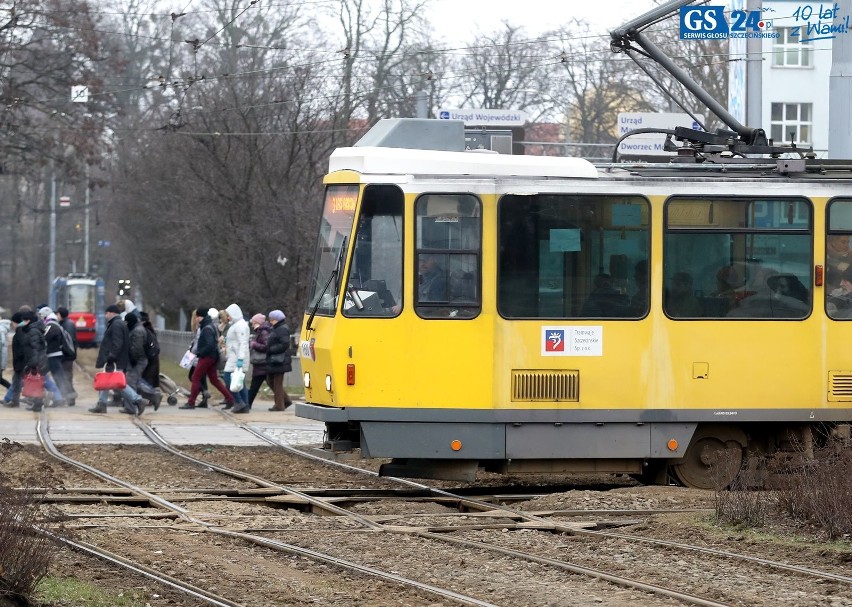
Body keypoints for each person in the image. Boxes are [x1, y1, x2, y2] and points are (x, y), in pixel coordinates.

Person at [89, 304, 146, 415]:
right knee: (106, 381)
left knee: (119, 384)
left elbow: (117, 343)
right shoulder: (118, 324)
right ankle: (102, 404)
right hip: (117, 359)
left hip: (114, 360)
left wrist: (111, 357)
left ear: (112, 313)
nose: (105, 316)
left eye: (107, 313)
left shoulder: (116, 325)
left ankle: (138, 400)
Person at [180, 307, 234, 410]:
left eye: (197, 317)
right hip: (213, 357)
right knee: (214, 380)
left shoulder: (206, 328)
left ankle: (191, 402)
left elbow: (209, 345)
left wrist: (200, 353)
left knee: (195, 378)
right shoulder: (211, 326)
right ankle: (230, 399)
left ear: (201, 317)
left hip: (207, 357)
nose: (196, 319)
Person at [125, 312, 162, 411]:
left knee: (130, 381)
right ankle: (154, 396)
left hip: (139, 361)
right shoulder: (136, 328)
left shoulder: (137, 331)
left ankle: (131, 407)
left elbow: (137, 348)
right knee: (135, 382)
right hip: (138, 360)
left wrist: (133, 360)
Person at [38, 307, 72, 407]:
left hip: (53, 354)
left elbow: (45, 338)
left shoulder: (51, 325)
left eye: (41, 315)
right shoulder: (54, 324)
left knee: (57, 376)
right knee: (57, 375)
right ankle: (62, 396)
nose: (40, 318)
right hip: (55, 354)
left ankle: (62, 397)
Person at [222, 303, 249, 411]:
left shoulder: (240, 326)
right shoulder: (236, 324)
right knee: (239, 382)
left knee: (228, 378)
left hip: (237, 357)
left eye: (229, 315)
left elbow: (243, 343)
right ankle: (244, 405)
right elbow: (234, 340)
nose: (228, 317)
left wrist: (240, 359)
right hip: (234, 356)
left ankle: (238, 401)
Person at [265, 309, 293, 412]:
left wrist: (271, 349)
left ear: (277, 319)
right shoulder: (277, 328)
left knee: (276, 383)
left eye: (272, 319)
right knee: (270, 381)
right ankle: (285, 400)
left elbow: (284, 344)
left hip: (279, 360)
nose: (270, 321)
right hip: (275, 360)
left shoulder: (281, 329)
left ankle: (279, 405)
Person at [243, 313, 272, 412]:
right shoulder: (261, 331)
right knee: (267, 383)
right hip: (261, 363)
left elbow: (265, 346)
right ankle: (285, 401)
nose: (252, 324)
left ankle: (248, 403)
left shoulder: (263, 332)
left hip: (261, 363)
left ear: (257, 322)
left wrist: (254, 344)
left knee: (255, 384)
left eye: (253, 322)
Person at [56, 306, 77, 402]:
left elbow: (68, 341)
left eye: (57, 314)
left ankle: (71, 396)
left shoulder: (67, 325)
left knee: (66, 376)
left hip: (67, 355)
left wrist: (63, 352)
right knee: (66, 375)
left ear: (60, 315)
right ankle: (69, 396)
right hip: (67, 354)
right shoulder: (66, 323)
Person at [139, 311, 160, 390]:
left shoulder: (145, 331)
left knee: (147, 380)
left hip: (149, 359)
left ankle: (151, 397)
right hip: (153, 358)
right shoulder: (149, 329)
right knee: (150, 379)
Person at [0, 314, 10, 390]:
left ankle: (11, 388)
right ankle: (11, 388)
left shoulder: (1, 330)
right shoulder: (2, 330)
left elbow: (1, 346)